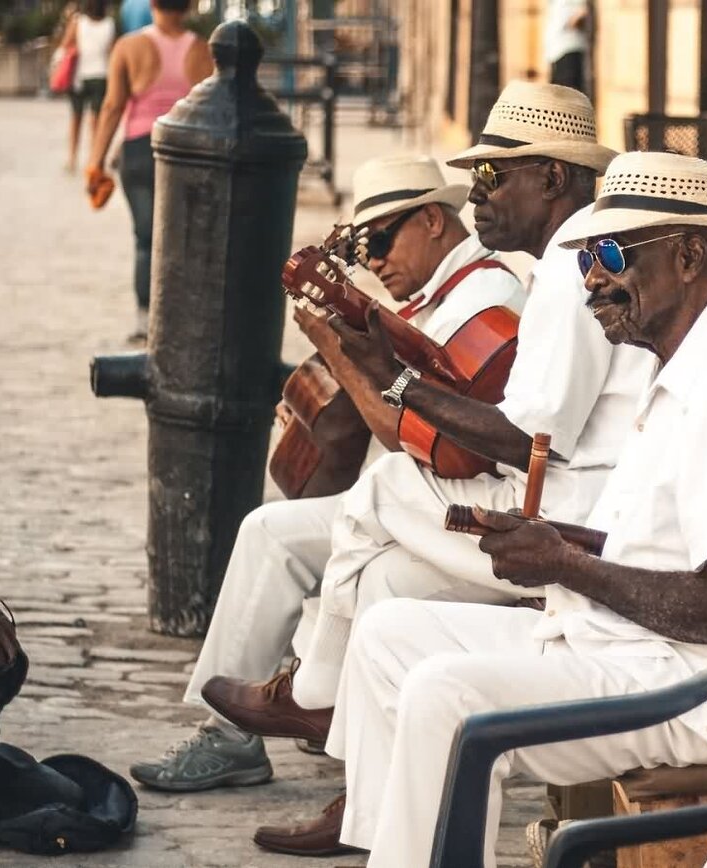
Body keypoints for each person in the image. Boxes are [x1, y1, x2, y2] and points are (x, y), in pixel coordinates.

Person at [268, 150, 707, 866]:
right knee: (388, 634)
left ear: (690, 255)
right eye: (583, 259)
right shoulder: (686, 362)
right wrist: (553, 544)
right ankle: (395, 847)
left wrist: (564, 564)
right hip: (644, 649)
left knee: (448, 692)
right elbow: (668, 550)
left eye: (609, 253)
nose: (593, 278)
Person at [223, 81, 658, 858]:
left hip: (582, 517)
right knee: (386, 586)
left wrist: (395, 380)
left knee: (386, 489)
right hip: (572, 491)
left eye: (495, 179)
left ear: (553, 178)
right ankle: (372, 817)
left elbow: (528, 436)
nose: (478, 200)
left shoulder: (574, 265)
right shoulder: (571, 256)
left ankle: (315, 692)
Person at [127, 156, 528, 793]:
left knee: (291, 537)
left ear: (431, 219)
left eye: (380, 241)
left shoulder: (485, 299)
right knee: (271, 531)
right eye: (361, 249)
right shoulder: (437, 298)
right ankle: (248, 725)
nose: (372, 262)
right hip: (427, 495)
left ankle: (303, 708)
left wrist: (343, 357)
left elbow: (421, 443)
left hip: (463, 503)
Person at [84, 0, 212, 343]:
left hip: (140, 149)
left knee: (146, 238)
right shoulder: (202, 50)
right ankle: (182, 316)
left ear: (152, 3)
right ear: (188, 7)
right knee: (185, 238)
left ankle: (145, 320)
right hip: (187, 152)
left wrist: (95, 162)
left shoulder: (129, 47)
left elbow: (112, 106)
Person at [60, 0, 114, 173]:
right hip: (101, 75)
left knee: (76, 119)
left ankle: (72, 158)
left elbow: (65, 44)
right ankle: (94, 158)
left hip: (79, 76)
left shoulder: (78, 22)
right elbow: (111, 51)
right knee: (96, 121)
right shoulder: (109, 24)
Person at [545, 0, 589, 92]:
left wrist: (572, 23)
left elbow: (582, 11)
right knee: (557, 89)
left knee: (569, 90)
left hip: (569, 46)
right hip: (555, 49)